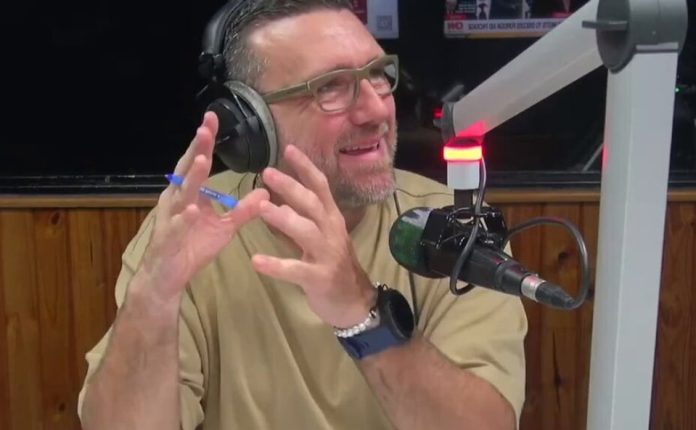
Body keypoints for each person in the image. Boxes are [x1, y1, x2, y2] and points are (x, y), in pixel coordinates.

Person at [78, 1, 527, 429]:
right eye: (330, 87)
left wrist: (360, 309)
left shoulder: (453, 229)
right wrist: (153, 299)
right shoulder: (191, 228)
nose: (376, 110)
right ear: (250, 125)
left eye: (377, 74)